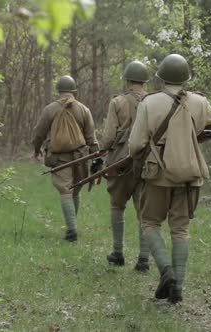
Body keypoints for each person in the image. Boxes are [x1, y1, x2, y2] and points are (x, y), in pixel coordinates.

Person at [129, 54, 211, 304]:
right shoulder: (200, 102)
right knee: (180, 229)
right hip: (189, 173)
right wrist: (191, 140)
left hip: (157, 172)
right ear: (186, 79)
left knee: (149, 222)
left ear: (159, 78)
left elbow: (135, 144)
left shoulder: (149, 103)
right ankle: (177, 289)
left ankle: (166, 271)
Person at [32, 75, 99, 242]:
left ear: (59, 91)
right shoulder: (84, 109)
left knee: (65, 191)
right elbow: (91, 137)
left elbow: (39, 133)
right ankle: (73, 227)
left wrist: (36, 149)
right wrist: (96, 156)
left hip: (59, 157)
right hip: (80, 156)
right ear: (74, 91)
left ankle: (71, 231)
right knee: (75, 190)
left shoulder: (50, 109)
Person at [101, 60, 151, 271]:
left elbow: (109, 137)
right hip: (146, 161)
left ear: (128, 80)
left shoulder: (117, 102)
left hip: (121, 162)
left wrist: (104, 151)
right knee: (144, 212)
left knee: (117, 206)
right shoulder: (154, 101)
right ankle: (143, 259)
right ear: (144, 81)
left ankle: (118, 252)